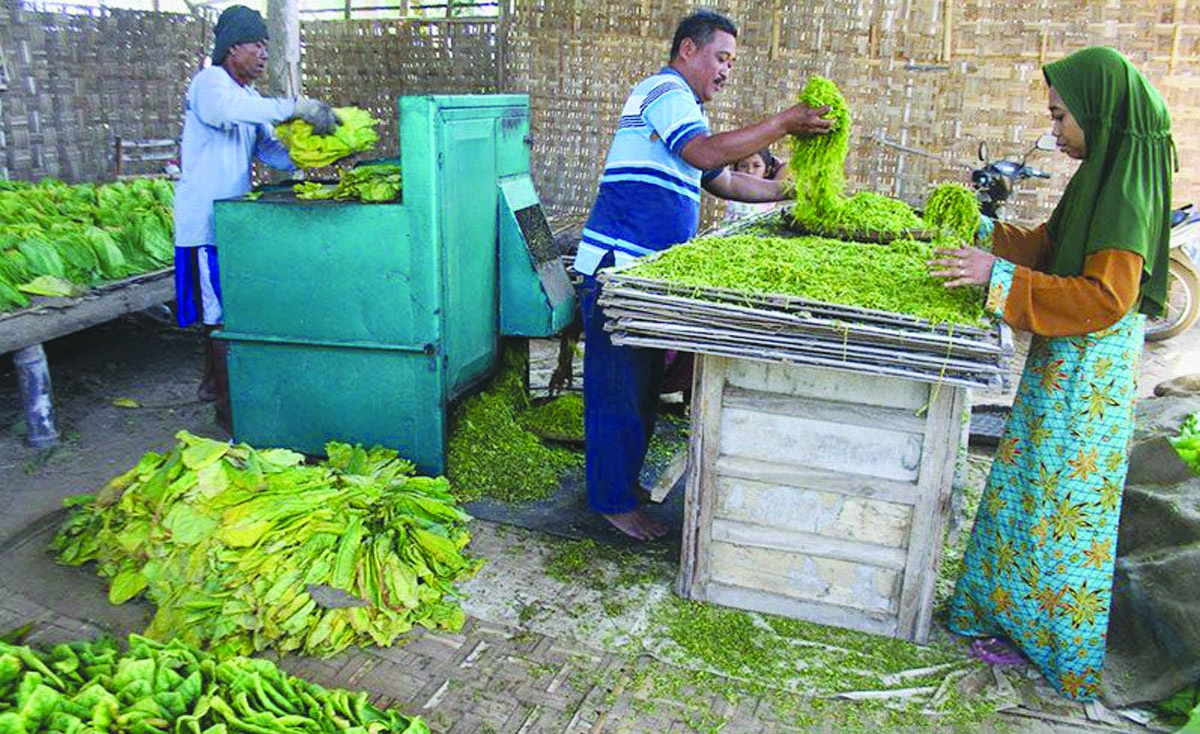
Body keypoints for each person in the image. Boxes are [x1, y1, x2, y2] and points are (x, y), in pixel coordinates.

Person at [930, 46, 1174, 701]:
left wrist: (997, 278)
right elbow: (1047, 248)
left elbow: (1104, 298)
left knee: (1063, 508)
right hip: (1066, 363)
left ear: (1100, 112)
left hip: (1087, 379)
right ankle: (1010, 619)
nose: (1056, 131)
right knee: (1031, 491)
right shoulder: (1103, 176)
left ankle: (1058, 642)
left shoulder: (1127, 191)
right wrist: (982, 232)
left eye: (1062, 117)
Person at [574, 9, 833, 540]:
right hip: (615, 270)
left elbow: (730, 183)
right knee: (617, 391)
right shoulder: (664, 92)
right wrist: (783, 122)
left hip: (641, 279)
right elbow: (705, 153)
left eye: (732, 63)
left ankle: (620, 485)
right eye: (721, 58)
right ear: (688, 50)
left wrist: (800, 193)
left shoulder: (684, 112)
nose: (726, 71)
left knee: (642, 391)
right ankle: (611, 501)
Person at [173, 4, 339, 428]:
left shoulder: (248, 98)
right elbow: (227, 113)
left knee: (226, 310)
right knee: (221, 315)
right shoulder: (211, 85)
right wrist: (297, 107)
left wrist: (323, 149)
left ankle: (214, 386)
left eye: (267, 46)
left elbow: (270, 153)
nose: (264, 54)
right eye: (257, 45)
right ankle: (228, 410)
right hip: (206, 226)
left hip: (232, 223)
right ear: (233, 49)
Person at [723, 147, 788, 221]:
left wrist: (774, 162)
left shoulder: (768, 191)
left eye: (756, 166)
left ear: (767, 171)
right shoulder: (731, 188)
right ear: (736, 169)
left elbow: (786, 167)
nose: (750, 170)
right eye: (743, 166)